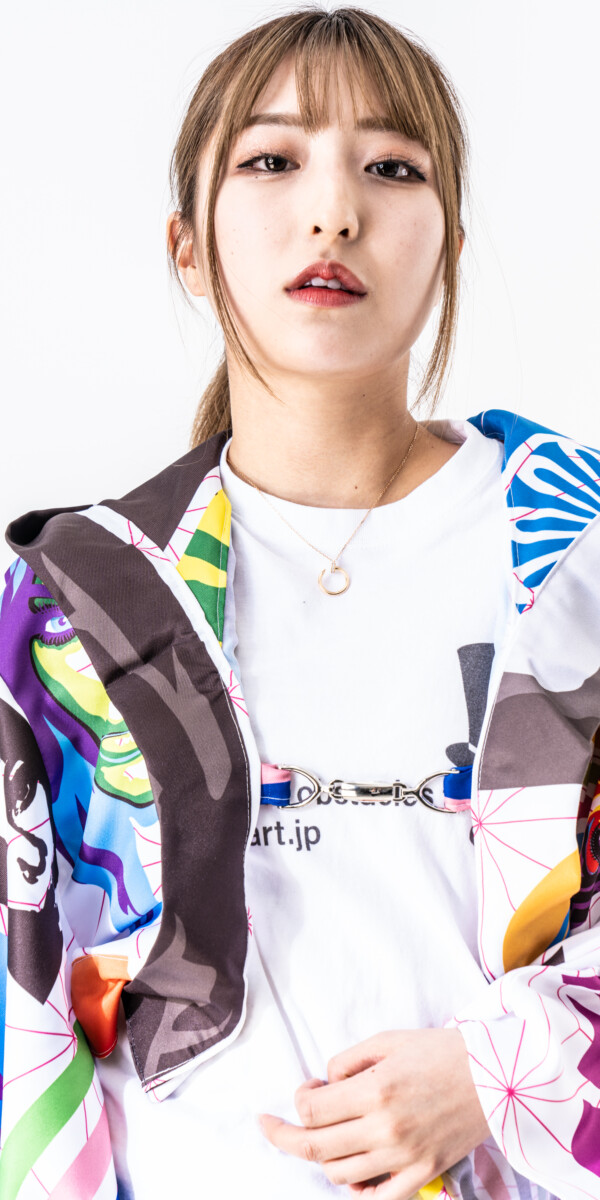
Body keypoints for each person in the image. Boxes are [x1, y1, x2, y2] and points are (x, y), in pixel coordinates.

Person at [1, 7, 600, 1199]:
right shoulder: (78, 597)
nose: (333, 211)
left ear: (450, 247)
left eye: (393, 168)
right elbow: (22, 1004)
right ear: (188, 246)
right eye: (272, 160)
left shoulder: (573, 560)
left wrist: (502, 1074)